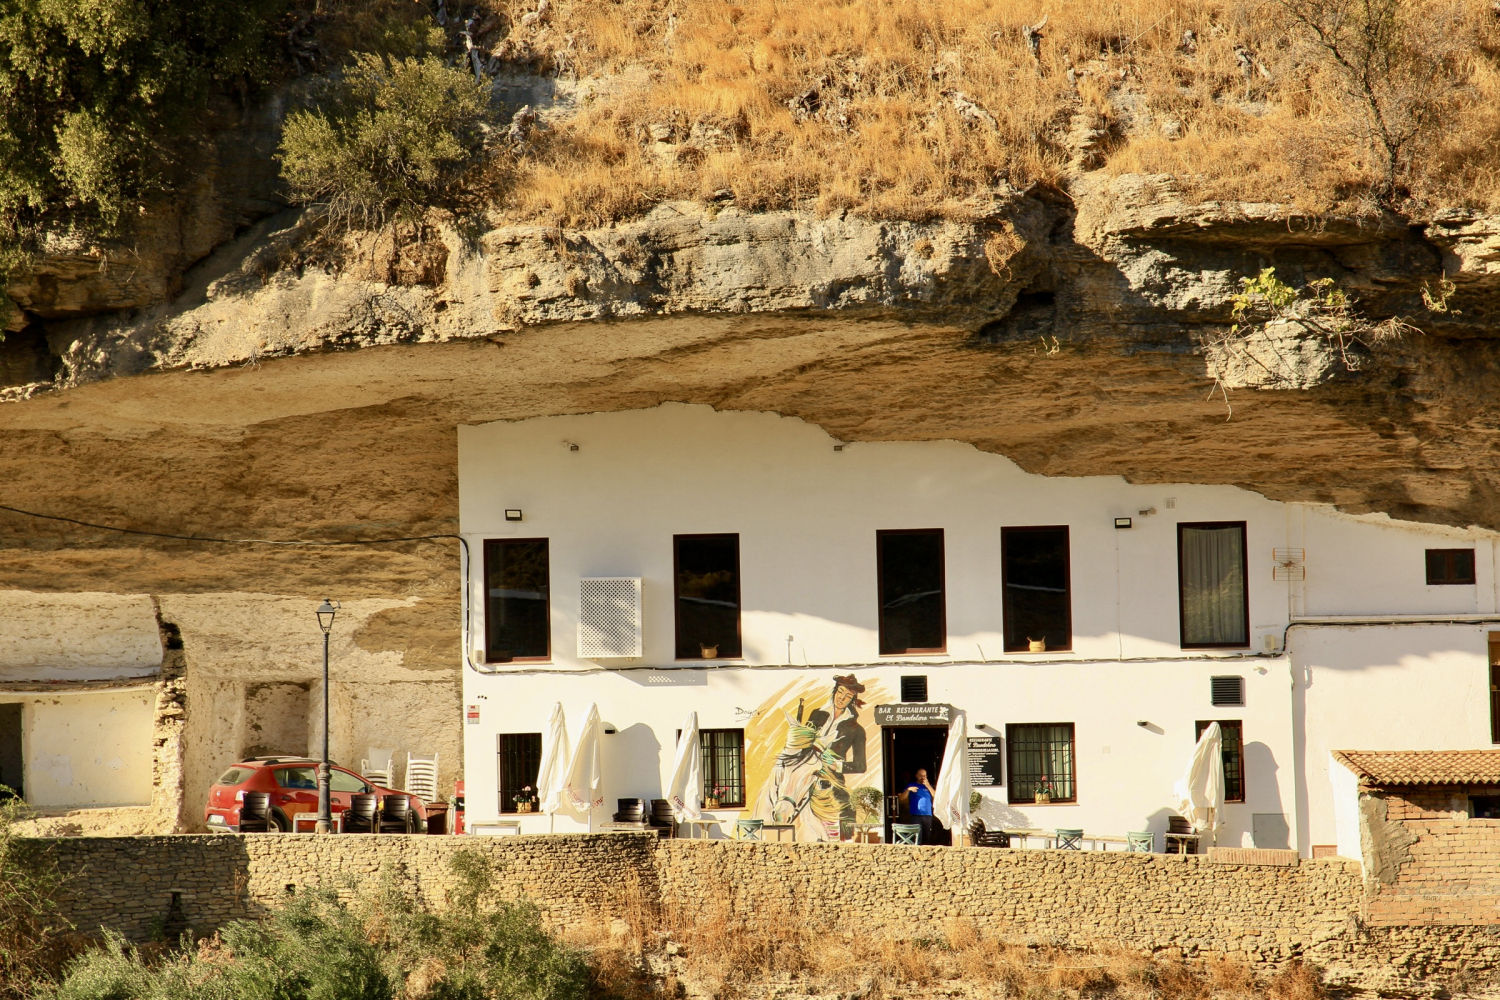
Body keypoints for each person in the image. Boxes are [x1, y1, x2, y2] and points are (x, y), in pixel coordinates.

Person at [900, 767, 937, 844]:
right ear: (916, 775)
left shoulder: (929, 786)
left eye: (924, 776)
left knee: (927, 835)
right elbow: (902, 798)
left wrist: (928, 786)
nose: (923, 777)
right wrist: (908, 790)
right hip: (915, 815)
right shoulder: (911, 785)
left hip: (927, 815)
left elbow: (936, 796)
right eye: (921, 775)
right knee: (917, 837)